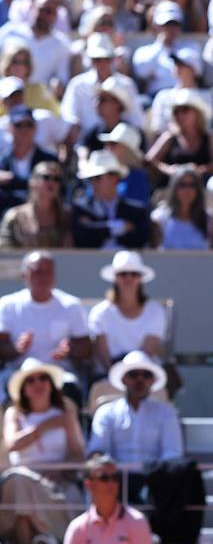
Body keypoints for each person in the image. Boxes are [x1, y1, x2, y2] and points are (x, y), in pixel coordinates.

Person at [0, 359, 82, 544]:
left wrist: (59, 471)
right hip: (20, 478)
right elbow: (12, 444)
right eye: (31, 380)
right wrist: (45, 427)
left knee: (21, 487)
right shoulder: (14, 414)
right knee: (20, 481)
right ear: (23, 388)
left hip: (57, 483)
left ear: (51, 385)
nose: (38, 384)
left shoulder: (65, 414)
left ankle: (40, 543)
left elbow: (78, 455)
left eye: (43, 378)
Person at [86, 351, 184, 505]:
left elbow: (172, 453)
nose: (140, 380)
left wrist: (154, 475)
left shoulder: (167, 413)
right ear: (123, 379)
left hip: (154, 482)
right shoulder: (106, 412)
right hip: (115, 481)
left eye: (146, 375)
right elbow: (98, 449)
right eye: (133, 375)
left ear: (152, 381)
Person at [0, 251, 90, 385]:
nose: (43, 277)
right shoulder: (8, 305)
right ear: (24, 276)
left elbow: (86, 347)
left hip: (60, 374)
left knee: (71, 390)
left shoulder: (71, 305)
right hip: (17, 373)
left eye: (48, 272)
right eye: (37, 272)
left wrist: (70, 349)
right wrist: (16, 348)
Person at [87, 252, 168, 374]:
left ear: (141, 278)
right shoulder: (100, 312)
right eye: (123, 274)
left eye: (134, 274)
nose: (128, 278)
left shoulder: (155, 311)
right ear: (115, 278)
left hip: (146, 376)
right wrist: (116, 378)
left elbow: (148, 350)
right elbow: (102, 355)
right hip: (108, 375)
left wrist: (134, 380)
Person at [72, 152, 151, 250]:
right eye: (90, 179)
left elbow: (139, 240)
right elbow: (83, 237)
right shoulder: (81, 208)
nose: (93, 183)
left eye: (97, 177)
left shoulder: (137, 211)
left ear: (114, 178)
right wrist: (117, 227)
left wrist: (97, 228)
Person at [0, 160, 71, 249]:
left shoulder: (66, 216)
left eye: (56, 179)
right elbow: (5, 252)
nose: (52, 182)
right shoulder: (14, 217)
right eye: (46, 177)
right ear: (32, 182)